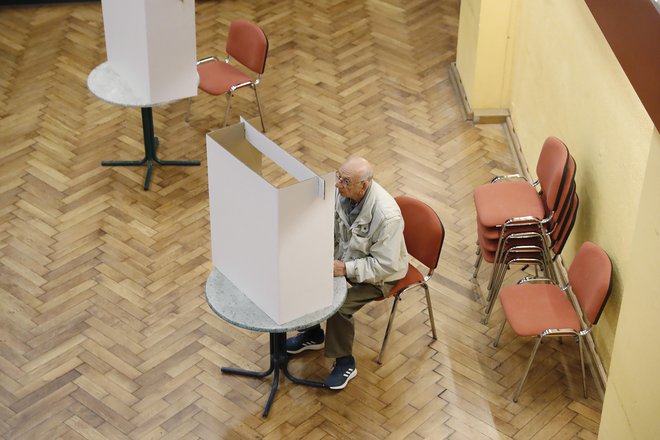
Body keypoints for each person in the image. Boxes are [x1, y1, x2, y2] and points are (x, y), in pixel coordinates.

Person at [286, 157, 409, 389]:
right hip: (348, 259)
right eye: (338, 177)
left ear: (363, 185)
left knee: (339, 306)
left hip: (381, 275)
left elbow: (385, 265)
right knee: (308, 273)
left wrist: (345, 269)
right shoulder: (344, 195)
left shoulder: (387, 216)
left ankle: (345, 362)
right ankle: (313, 334)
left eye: (345, 181)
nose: (337, 184)